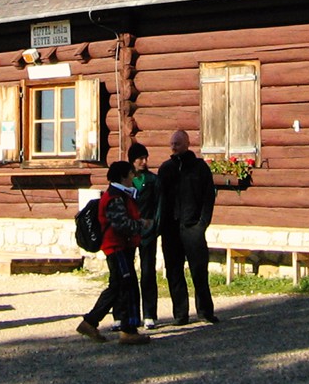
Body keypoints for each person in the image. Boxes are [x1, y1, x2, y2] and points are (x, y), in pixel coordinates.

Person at [76, 160, 156, 345]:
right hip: (116, 247)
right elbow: (121, 224)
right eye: (130, 174)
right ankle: (125, 329)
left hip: (121, 247)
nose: (133, 177)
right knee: (124, 285)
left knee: (119, 285)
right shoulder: (115, 196)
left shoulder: (120, 194)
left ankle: (94, 323)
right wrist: (142, 224)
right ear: (123, 176)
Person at [157, 129, 217, 325]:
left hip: (193, 228)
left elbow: (209, 197)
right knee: (174, 272)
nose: (174, 147)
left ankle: (205, 312)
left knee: (199, 271)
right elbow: (160, 199)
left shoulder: (199, 168)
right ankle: (180, 314)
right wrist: (162, 226)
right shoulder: (166, 169)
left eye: (177, 143)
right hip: (171, 229)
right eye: (172, 144)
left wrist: (202, 224)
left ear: (187, 143)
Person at [127, 142, 164, 330]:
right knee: (127, 274)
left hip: (148, 232)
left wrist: (155, 227)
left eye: (145, 157)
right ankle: (128, 314)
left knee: (148, 272)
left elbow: (159, 206)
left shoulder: (153, 180)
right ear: (132, 160)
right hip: (129, 232)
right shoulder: (127, 181)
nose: (144, 161)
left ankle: (150, 314)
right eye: (140, 158)